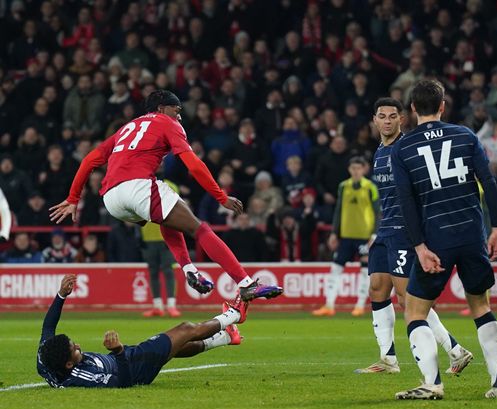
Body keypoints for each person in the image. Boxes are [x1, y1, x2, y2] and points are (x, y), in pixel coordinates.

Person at [49, 90, 281, 302]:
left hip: (111, 199)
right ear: (161, 109)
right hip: (137, 187)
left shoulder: (127, 127)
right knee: (199, 229)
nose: (179, 117)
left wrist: (73, 198)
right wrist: (221, 197)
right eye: (177, 111)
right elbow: (194, 166)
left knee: (167, 215)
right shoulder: (167, 123)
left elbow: (90, 160)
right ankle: (245, 283)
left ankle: (190, 271)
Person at [391, 79, 497, 400]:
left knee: (414, 311)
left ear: (412, 109)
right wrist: (496, 228)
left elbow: (406, 203)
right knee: (481, 306)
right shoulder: (465, 136)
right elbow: (489, 182)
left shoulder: (403, 148)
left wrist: (419, 247)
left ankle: (432, 384)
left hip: (436, 241)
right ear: (443, 106)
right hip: (473, 235)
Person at [357, 97, 473, 375]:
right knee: (377, 288)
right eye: (381, 116)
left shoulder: (408, 148)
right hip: (385, 230)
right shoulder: (378, 152)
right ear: (375, 120)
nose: (387, 121)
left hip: (405, 231)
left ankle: (456, 351)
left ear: (402, 119)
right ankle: (388, 359)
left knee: (407, 298)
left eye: (392, 116)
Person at [37, 274, 248, 388]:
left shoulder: (45, 358)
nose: (78, 345)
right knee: (184, 329)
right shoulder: (81, 377)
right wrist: (119, 351)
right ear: (68, 364)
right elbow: (123, 383)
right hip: (134, 368)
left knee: (174, 348)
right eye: (74, 349)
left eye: (73, 342)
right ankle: (235, 315)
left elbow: (48, 327)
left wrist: (61, 295)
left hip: (127, 358)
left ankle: (228, 337)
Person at [313, 156, 379, 317]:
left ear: (364, 169)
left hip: (364, 236)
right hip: (346, 236)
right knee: (335, 269)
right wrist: (335, 233)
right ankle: (329, 305)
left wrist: (374, 234)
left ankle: (360, 305)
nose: (356, 171)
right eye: (353, 168)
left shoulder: (370, 187)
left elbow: (378, 213)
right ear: (349, 170)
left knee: (364, 271)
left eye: (359, 168)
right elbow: (338, 210)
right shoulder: (344, 186)